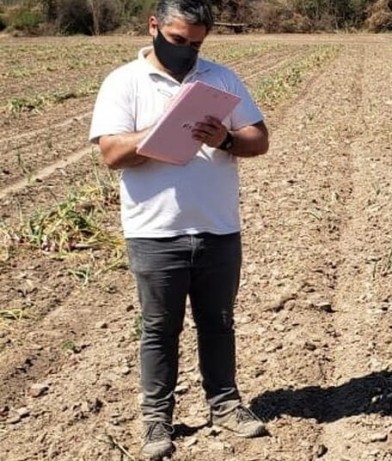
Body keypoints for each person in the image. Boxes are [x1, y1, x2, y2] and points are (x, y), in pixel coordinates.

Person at [88, 1, 269, 459]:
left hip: (218, 227)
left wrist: (223, 138)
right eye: (177, 41)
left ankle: (225, 404)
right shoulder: (123, 82)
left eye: (196, 44)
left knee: (219, 323)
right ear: (153, 26)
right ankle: (156, 421)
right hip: (154, 232)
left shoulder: (221, 78)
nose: (187, 52)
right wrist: (165, 131)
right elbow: (112, 152)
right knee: (158, 329)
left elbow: (259, 138)